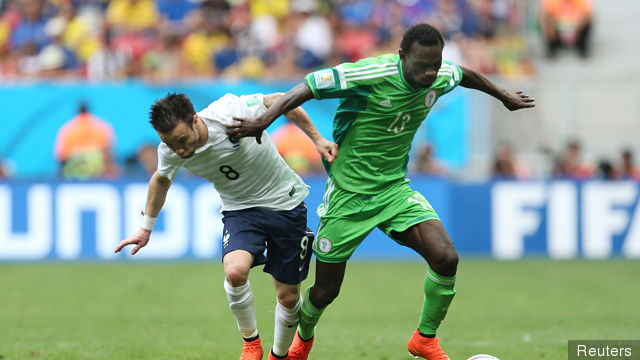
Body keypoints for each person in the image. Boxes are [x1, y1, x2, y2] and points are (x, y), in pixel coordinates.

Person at [226, 23, 535, 360]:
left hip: (393, 191)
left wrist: (504, 96)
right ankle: (303, 339)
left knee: (446, 257)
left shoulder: (440, 75)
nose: (430, 73)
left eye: (435, 64)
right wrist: (263, 121)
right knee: (326, 290)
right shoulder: (370, 74)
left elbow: (462, 74)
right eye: (421, 66)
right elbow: (306, 87)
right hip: (348, 195)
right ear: (402, 57)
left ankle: (424, 339)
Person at [114, 92, 338, 360]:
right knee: (234, 272)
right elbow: (161, 180)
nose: (181, 151)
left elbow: (283, 99)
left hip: (285, 204)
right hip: (240, 210)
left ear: (195, 121)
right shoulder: (171, 150)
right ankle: (251, 344)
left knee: (288, 298)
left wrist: (317, 139)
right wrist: (146, 228)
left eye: (183, 141)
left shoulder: (230, 111)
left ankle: (279, 355)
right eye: (171, 144)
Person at [54, 101, 119, 180]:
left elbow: (60, 156)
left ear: (77, 111)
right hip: (98, 169)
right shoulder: (101, 126)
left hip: (76, 169)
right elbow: (109, 153)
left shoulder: (68, 128)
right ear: (89, 110)